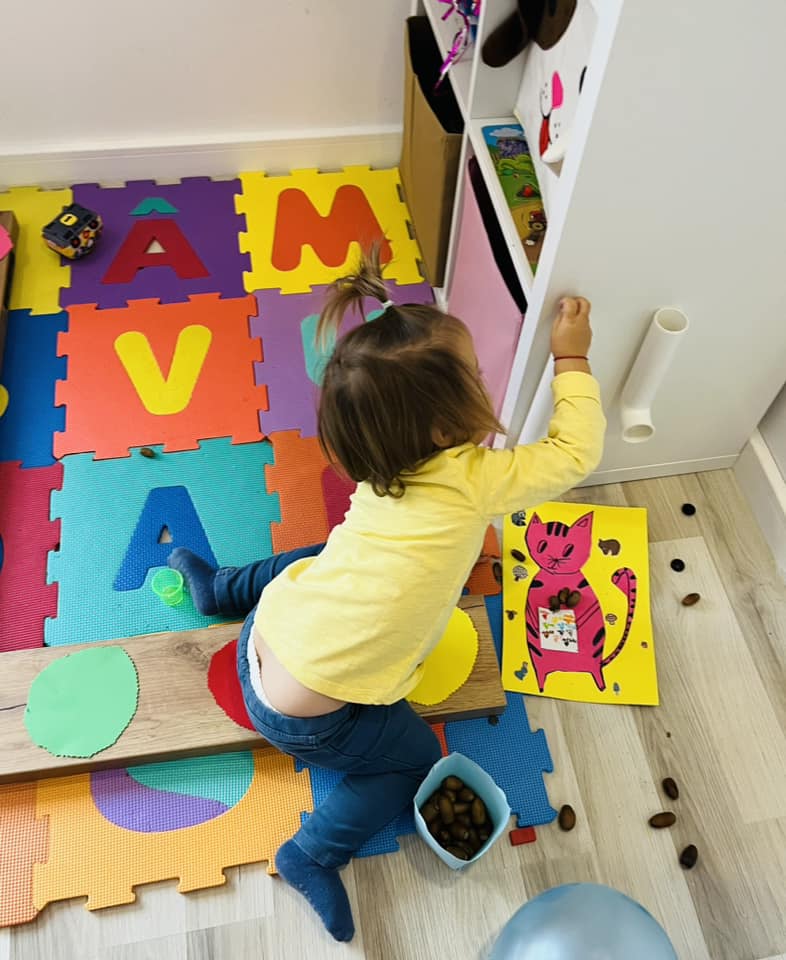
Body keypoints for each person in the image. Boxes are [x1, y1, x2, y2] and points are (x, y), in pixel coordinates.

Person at [168, 247, 605, 942]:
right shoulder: (474, 478)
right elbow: (575, 454)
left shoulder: (381, 466)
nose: (484, 384)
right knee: (412, 760)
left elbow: (422, 543)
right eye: (474, 377)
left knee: (319, 557)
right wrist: (571, 359)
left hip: (267, 631)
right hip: (305, 717)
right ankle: (312, 852)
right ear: (443, 426)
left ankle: (221, 589)